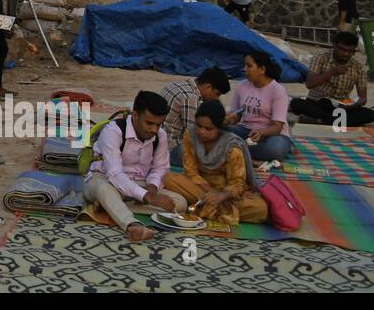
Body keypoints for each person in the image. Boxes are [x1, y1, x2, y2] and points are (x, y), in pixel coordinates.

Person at [83, 91, 188, 241]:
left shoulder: (160, 135)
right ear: (135, 115)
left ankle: (111, 207)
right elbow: (115, 174)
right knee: (103, 189)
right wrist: (146, 197)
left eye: (158, 124)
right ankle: (132, 225)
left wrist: (151, 189)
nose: (154, 129)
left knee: (179, 203)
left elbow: (160, 168)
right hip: (104, 179)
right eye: (149, 123)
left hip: (139, 184)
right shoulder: (113, 131)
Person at [163, 101, 268, 227]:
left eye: (208, 129)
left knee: (260, 209)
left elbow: (237, 183)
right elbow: (191, 171)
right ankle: (216, 210)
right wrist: (211, 193)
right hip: (201, 188)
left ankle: (201, 208)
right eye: (199, 126)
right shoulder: (190, 135)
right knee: (168, 178)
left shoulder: (232, 146)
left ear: (219, 129)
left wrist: (221, 196)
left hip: (226, 194)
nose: (202, 132)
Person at [290, 31, 374, 127]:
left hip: (342, 107)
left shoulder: (358, 66)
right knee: (296, 103)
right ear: (334, 45)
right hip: (317, 103)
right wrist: (331, 72)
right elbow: (309, 84)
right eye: (342, 49)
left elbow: (362, 98)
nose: (345, 54)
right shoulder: (321, 57)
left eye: (350, 51)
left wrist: (351, 105)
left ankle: (321, 120)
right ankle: (336, 121)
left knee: (370, 114)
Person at [225, 52, 293, 161]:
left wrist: (261, 132)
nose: (244, 69)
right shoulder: (242, 85)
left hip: (271, 134)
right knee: (219, 132)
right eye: (245, 65)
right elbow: (236, 116)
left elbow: (277, 127)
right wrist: (227, 120)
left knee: (276, 149)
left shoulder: (278, 90)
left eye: (249, 66)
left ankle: (236, 149)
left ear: (262, 69)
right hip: (246, 130)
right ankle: (242, 149)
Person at [158, 67, 231, 166]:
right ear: (208, 87)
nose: (216, 98)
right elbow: (197, 136)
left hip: (159, 143)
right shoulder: (190, 98)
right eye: (217, 94)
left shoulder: (178, 86)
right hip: (170, 151)